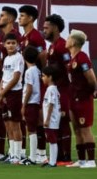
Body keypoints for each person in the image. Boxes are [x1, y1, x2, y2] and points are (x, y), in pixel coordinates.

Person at [43, 14, 72, 163]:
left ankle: (66, 155)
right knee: (56, 122)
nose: (44, 31)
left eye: (46, 28)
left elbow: (69, 69)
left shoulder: (62, 45)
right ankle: (58, 155)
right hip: (56, 90)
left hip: (64, 90)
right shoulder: (52, 46)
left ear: (55, 28)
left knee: (63, 121)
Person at [66, 30, 96, 168]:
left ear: (73, 42)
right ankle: (81, 160)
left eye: (69, 38)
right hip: (73, 98)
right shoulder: (72, 58)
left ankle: (91, 161)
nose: (66, 40)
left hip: (82, 99)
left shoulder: (82, 57)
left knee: (85, 129)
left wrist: (91, 91)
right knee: (76, 129)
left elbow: (91, 78)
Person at [0, 33, 24, 163]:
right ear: (4, 45)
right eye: (8, 43)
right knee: (8, 124)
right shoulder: (6, 59)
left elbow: (15, 78)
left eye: (13, 43)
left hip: (14, 92)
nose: (10, 45)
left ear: (18, 45)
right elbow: (4, 77)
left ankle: (17, 154)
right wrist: (0, 92)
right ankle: (12, 152)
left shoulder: (18, 58)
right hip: (5, 93)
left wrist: (3, 92)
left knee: (15, 124)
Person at [22, 46, 42, 165]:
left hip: (31, 102)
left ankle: (32, 157)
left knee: (31, 130)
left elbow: (29, 89)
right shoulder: (38, 70)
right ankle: (35, 155)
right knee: (34, 129)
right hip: (37, 101)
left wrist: (23, 104)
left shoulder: (29, 71)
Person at [42, 65, 63, 168]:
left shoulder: (51, 89)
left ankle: (53, 162)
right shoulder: (53, 89)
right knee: (51, 139)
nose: (42, 78)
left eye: (44, 76)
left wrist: (47, 119)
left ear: (50, 77)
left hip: (51, 120)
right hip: (53, 119)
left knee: (52, 140)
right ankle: (51, 160)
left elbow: (50, 104)